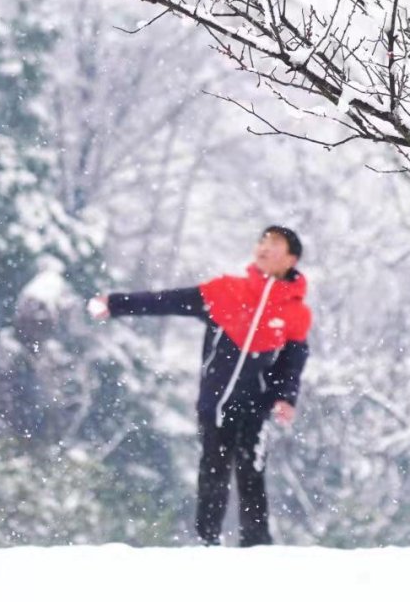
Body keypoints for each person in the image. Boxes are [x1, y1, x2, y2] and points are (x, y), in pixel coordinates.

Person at [87, 226, 312, 546]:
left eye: (274, 243)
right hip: (216, 403)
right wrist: (117, 304)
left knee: (251, 474)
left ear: (291, 258)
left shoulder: (295, 313)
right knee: (213, 471)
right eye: (261, 240)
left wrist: (285, 398)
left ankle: (258, 546)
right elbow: (167, 301)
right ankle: (208, 541)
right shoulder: (226, 291)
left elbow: (292, 362)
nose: (263, 247)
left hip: (254, 406)